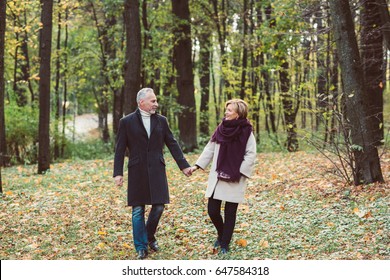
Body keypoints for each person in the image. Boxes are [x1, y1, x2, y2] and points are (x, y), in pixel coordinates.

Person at [113, 88, 192, 259]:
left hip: (157, 168)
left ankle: (149, 236)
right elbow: (119, 149)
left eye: (156, 101)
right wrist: (117, 173)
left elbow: (172, 143)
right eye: (153, 101)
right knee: (137, 210)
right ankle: (141, 247)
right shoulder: (126, 122)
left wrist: (184, 166)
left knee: (158, 207)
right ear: (141, 102)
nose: (156, 104)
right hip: (137, 170)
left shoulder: (162, 121)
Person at [190, 99, 256, 254]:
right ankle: (222, 234)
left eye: (230, 110)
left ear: (238, 114)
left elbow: (251, 154)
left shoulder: (247, 131)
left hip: (235, 176)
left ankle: (225, 244)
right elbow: (210, 148)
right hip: (219, 175)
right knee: (212, 210)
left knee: (230, 212)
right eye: (226, 110)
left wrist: (239, 172)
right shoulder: (221, 129)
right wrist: (197, 165)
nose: (226, 112)